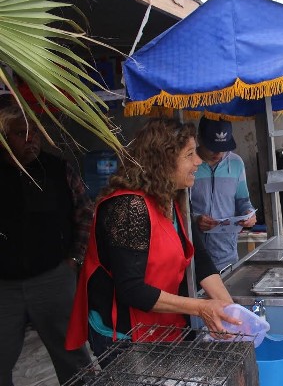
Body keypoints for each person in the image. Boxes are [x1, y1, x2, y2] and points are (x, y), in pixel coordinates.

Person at [65, 118, 238, 362]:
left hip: (163, 325)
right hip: (124, 333)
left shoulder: (172, 197)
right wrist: (201, 307)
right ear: (163, 161)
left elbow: (198, 257)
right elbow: (132, 289)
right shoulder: (127, 207)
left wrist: (231, 311)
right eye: (189, 154)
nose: (198, 161)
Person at [0, 104, 92, 386]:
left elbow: (85, 214)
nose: (31, 140)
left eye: (35, 133)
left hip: (53, 278)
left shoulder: (58, 169)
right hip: (4, 287)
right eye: (21, 134)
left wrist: (74, 260)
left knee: (73, 357)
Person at [191, 118, 256, 272]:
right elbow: (176, 208)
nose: (218, 153)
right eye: (212, 147)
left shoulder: (236, 163)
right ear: (199, 139)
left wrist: (248, 213)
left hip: (227, 254)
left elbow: (243, 200)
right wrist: (195, 219)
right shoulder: (190, 165)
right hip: (193, 255)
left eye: (223, 147)